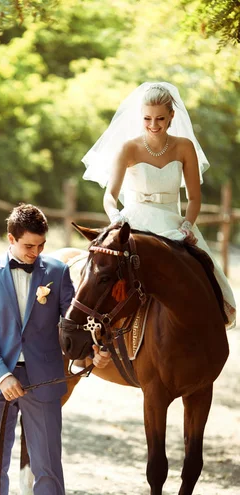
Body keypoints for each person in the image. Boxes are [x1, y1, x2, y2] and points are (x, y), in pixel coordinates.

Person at [0, 203, 109, 495]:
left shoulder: (59, 273)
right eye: (30, 246)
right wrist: (2, 375)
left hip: (45, 382)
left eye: (42, 245)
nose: (36, 253)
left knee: (48, 467)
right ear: (11, 239)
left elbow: (72, 323)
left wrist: (90, 353)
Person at [82, 81, 236, 328]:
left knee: (203, 269)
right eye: (147, 119)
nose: (154, 125)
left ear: (172, 116)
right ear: (140, 117)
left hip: (173, 222)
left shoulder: (184, 147)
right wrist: (115, 216)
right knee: (107, 270)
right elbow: (110, 195)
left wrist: (188, 224)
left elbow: (194, 198)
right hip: (134, 221)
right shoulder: (128, 147)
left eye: (160, 119)